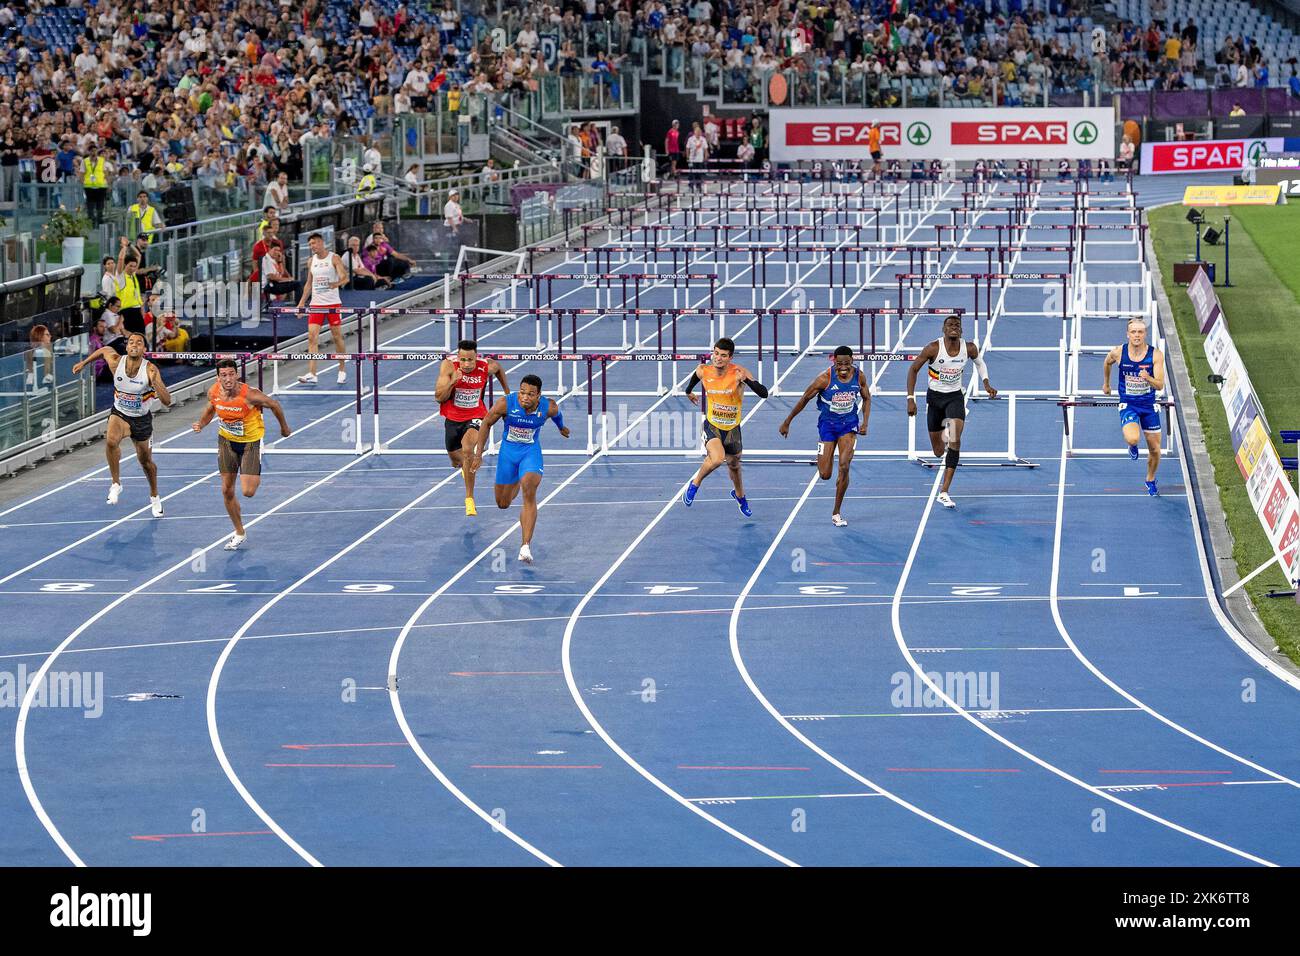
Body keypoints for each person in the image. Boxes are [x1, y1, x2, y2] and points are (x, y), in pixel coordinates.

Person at [468, 374, 570, 563]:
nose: (525, 397)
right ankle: (516, 478)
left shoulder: (548, 406)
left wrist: (561, 428)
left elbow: (557, 415)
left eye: (530, 394)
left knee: (529, 489)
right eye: (522, 392)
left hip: (530, 453)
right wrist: (478, 454)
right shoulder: (505, 403)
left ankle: (525, 547)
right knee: (502, 503)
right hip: (508, 454)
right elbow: (487, 422)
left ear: (538, 395)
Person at [192, 358, 292, 550]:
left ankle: (251, 472)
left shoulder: (250, 395)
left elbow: (274, 404)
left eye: (231, 374)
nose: (228, 379)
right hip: (226, 442)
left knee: (248, 492)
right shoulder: (213, 391)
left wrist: (284, 428)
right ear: (218, 377)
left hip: (250, 444)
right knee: (226, 490)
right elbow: (211, 408)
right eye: (223, 375)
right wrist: (201, 424)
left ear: (237, 375)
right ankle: (239, 532)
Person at [70, 332, 172, 514]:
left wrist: (156, 384)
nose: (134, 345)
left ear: (144, 349)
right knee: (110, 440)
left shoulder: (150, 370)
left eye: (139, 343)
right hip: (120, 413)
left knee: (146, 462)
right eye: (131, 342)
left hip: (141, 419)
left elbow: (167, 401)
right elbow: (104, 349)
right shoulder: (116, 362)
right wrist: (84, 363)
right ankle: (116, 483)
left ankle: (155, 496)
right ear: (126, 347)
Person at [905, 314, 998, 510]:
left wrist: (986, 383)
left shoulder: (969, 348)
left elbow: (980, 363)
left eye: (957, 324)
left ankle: (944, 491)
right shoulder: (933, 348)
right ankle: (947, 434)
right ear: (944, 329)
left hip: (955, 397)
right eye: (950, 324)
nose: (954, 327)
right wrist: (911, 399)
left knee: (955, 440)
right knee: (938, 452)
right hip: (935, 399)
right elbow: (913, 370)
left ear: (961, 330)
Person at [779, 345, 872, 526]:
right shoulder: (824, 379)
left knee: (844, 465)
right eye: (839, 364)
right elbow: (805, 398)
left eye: (846, 363)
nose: (843, 367)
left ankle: (836, 512)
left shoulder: (859, 376)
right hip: (827, 426)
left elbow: (867, 398)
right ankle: (823, 454)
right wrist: (787, 421)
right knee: (825, 474)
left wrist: (865, 422)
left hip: (849, 425)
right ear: (833, 362)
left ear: (852, 361)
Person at [682, 337, 769, 516]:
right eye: (715, 353)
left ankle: (740, 497)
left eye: (723, 355)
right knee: (716, 458)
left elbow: (764, 394)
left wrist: (747, 381)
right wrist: (688, 392)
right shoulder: (702, 371)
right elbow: (690, 384)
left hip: (732, 429)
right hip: (712, 426)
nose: (718, 358)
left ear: (730, 357)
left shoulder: (739, 372)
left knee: (734, 466)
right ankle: (694, 484)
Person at [435, 339, 509, 516]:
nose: (467, 364)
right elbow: (438, 397)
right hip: (453, 418)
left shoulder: (485, 366)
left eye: (470, 360)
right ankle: (463, 467)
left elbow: (498, 368)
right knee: (456, 461)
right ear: (458, 358)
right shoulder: (448, 367)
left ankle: (469, 499)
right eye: (463, 360)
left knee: (468, 450)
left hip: (476, 416)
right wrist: (453, 381)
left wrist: (507, 391)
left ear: (477, 358)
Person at [1102, 318, 1166, 496]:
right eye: (1133, 332)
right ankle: (1132, 447)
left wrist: (1148, 378)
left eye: (1140, 332)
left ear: (1145, 334)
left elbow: (1160, 385)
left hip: (1148, 405)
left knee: (1155, 449)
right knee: (1132, 439)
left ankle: (1150, 479)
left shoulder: (1156, 355)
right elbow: (1107, 362)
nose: (1137, 335)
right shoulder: (1118, 353)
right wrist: (1106, 384)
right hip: (1128, 404)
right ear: (1128, 334)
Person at [295, 232, 349, 385]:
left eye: (314, 243)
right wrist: (301, 303)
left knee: (337, 337)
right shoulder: (311, 261)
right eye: (310, 244)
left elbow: (345, 277)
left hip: (332, 304)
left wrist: (335, 284)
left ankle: (342, 370)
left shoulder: (334, 258)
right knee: (312, 337)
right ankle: (312, 373)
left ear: (321, 242)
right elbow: (309, 284)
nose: (312, 247)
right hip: (316, 304)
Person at [114, 237, 146, 336]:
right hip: (126, 312)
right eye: (130, 266)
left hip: (137, 311)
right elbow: (120, 259)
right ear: (125, 265)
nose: (132, 268)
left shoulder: (133, 275)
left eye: (134, 266)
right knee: (130, 339)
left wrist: (129, 245)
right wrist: (124, 247)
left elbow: (138, 255)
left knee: (141, 338)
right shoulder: (121, 276)